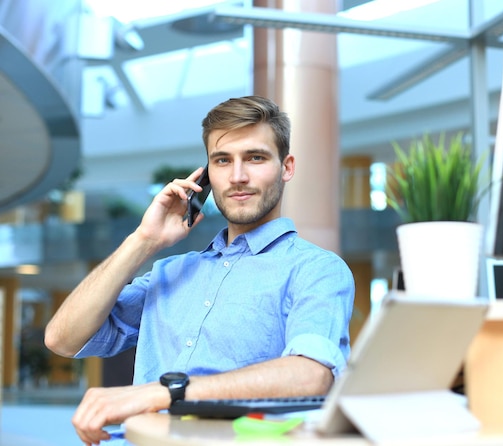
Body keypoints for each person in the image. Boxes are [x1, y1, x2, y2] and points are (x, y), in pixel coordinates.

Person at [44, 95, 355, 445]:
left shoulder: (316, 269)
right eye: (222, 161)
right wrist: (143, 241)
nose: (238, 176)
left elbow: (310, 375)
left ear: (287, 167)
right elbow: (62, 339)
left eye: (255, 157)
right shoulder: (169, 271)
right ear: (206, 177)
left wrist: (165, 393)